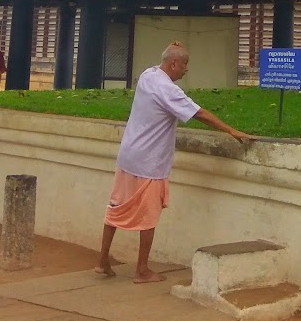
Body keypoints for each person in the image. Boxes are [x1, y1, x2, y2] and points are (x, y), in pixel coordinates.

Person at [97, 42, 253, 283]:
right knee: (149, 216)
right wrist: (232, 131)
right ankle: (141, 270)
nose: (186, 69)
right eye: (184, 64)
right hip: (149, 161)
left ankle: (102, 261)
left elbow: (163, 64)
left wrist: (172, 47)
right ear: (173, 64)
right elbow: (199, 113)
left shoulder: (149, 75)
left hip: (129, 155)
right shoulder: (168, 90)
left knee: (116, 205)